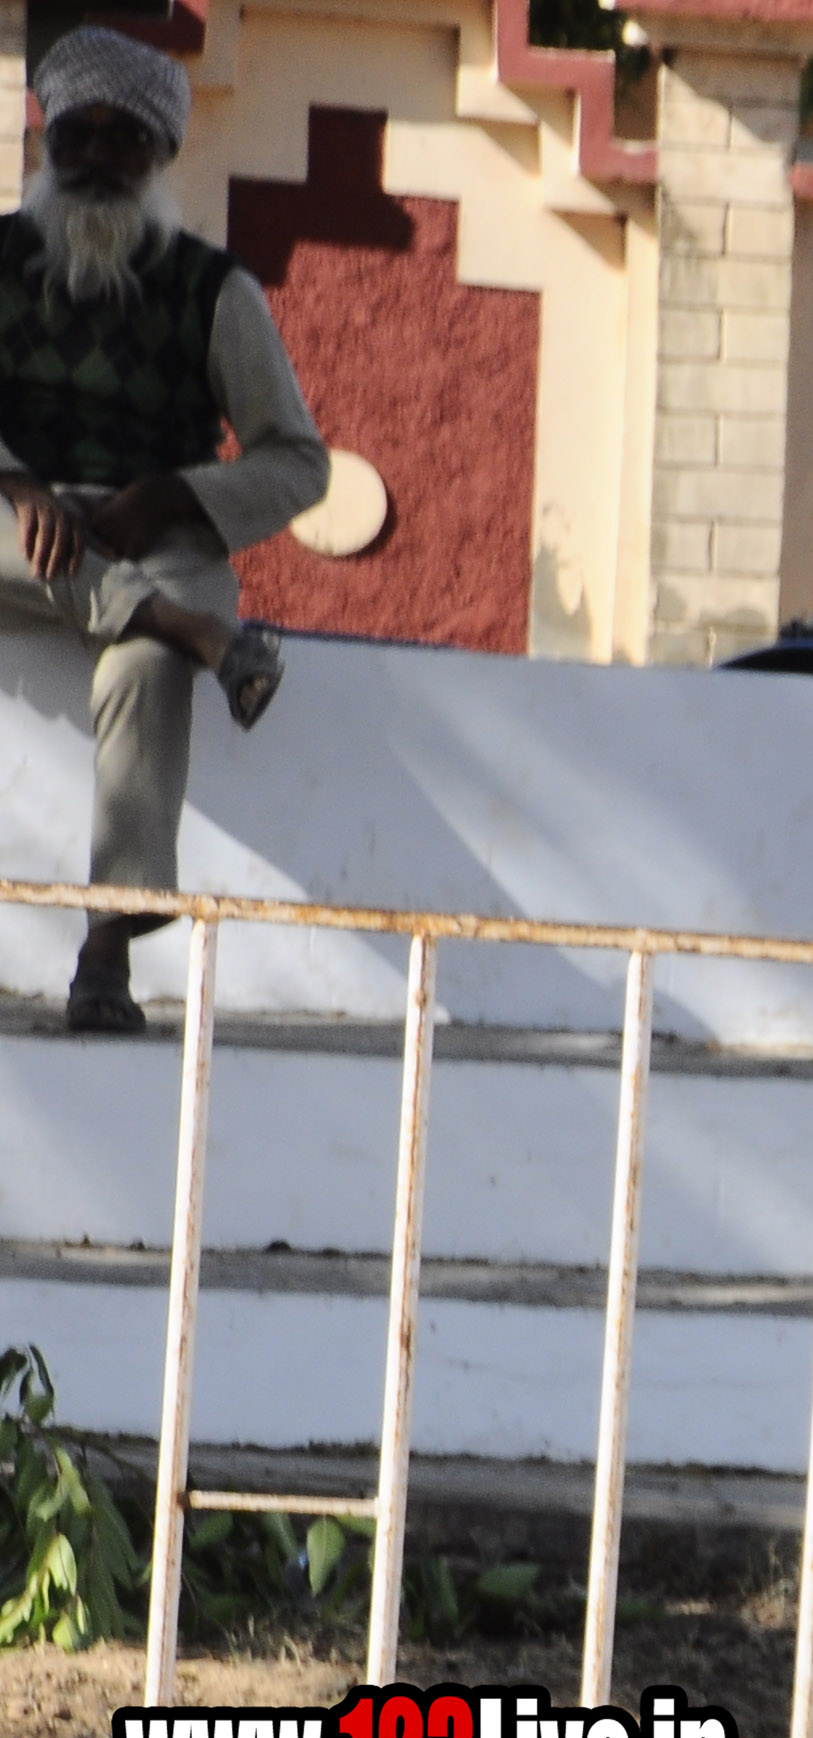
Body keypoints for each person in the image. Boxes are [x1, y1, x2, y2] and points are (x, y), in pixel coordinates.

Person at [3, 26, 324, 1036]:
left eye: (125, 138)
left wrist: (175, 495)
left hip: (160, 538)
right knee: (157, 632)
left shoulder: (212, 288)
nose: (98, 157)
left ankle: (106, 949)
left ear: (160, 154)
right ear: (46, 141)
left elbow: (298, 461)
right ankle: (198, 634)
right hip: (13, 527)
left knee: (143, 671)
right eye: (79, 134)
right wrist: (18, 483)